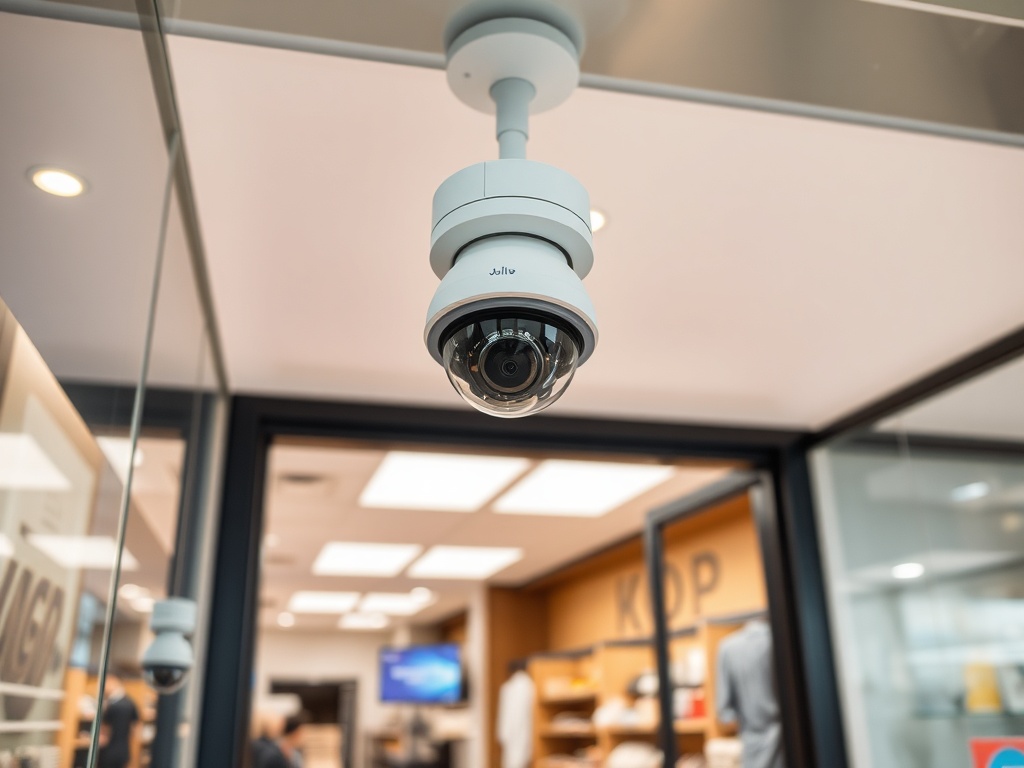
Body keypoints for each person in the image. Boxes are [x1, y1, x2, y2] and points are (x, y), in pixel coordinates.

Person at [97, 674, 139, 768]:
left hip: (109, 752)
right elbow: (135, 727)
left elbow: (105, 730)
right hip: (124, 750)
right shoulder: (130, 703)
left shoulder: (113, 705)